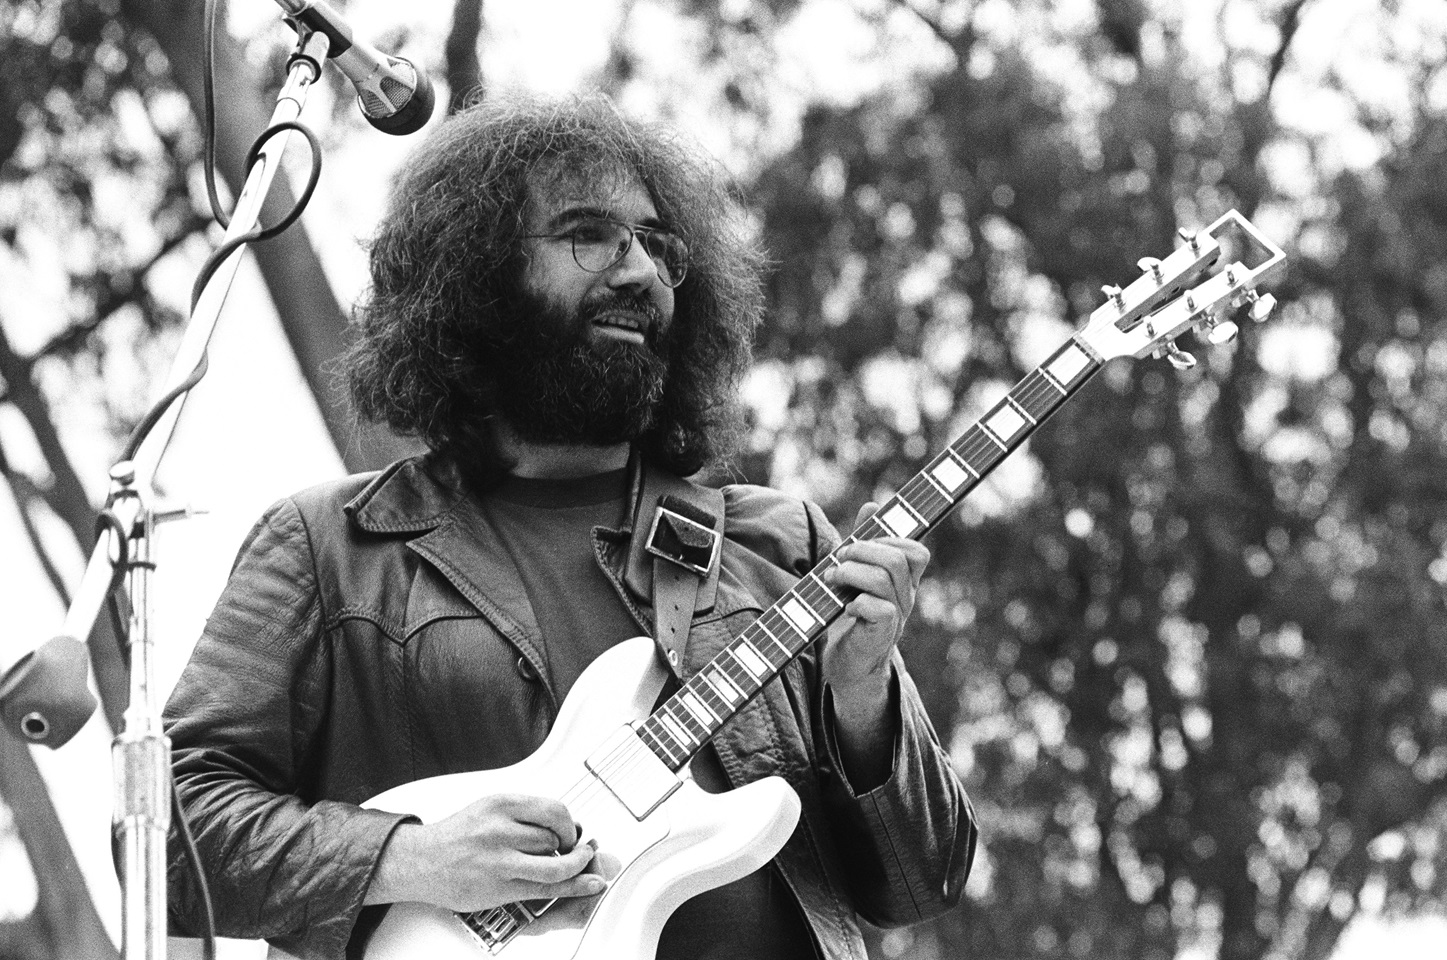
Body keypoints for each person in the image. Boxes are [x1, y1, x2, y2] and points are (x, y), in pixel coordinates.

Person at [164, 94, 975, 960]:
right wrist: (410, 857)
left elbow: (922, 882)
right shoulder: (333, 547)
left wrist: (861, 698)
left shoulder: (780, 548)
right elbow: (169, 835)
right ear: (474, 277)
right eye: (589, 236)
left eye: (658, 245)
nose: (641, 273)